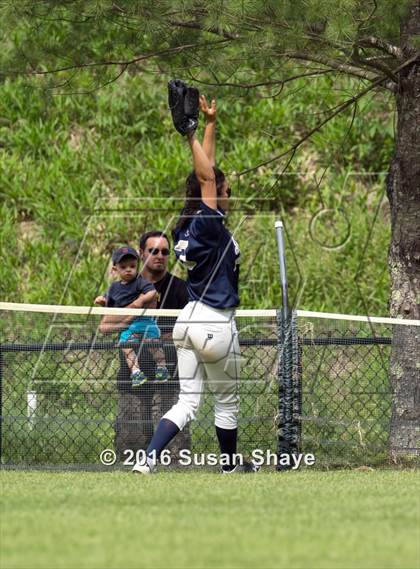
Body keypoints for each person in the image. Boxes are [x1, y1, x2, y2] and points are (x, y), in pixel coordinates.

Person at [133, 89, 258, 474]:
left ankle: (147, 460)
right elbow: (209, 175)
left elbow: (208, 172)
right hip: (215, 323)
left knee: (188, 402)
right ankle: (229, 466)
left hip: (186, 321)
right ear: (213, 195)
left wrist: (209, 125)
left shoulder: (189, 223)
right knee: (226, 403)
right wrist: (190, 133)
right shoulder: (210, 221)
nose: (228, 194)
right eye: (226, 191)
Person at [98, 232, 189, 461]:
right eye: (153, 251)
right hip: (132, 382)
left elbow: (186, 332)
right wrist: (135, 311)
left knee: (174, 456)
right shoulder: (121, 288)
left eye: (165, 252)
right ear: (141, 254)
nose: (160, 256)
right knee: (129, 453)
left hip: (169, 381)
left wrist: (155, 336)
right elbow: (106, 325)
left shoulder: (180, 289)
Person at [95, 246, 169, 387]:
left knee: (152, 343)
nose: (128, 269)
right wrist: (102, 301)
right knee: (126, 345)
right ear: (115, 269)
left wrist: (140, 301)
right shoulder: (114, 287)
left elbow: (152, 293)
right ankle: (136, 372)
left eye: (132, 266)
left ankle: (161, 367)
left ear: (137, 266)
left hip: (143, 320)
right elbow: (109, 305)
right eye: (123, 267)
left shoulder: (140, 282)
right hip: (129, 326)